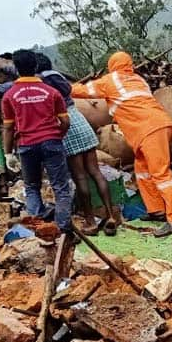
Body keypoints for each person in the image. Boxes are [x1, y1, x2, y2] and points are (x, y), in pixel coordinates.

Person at [71, 52, 172, 237]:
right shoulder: (138, 79)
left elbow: (81, 91)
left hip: (149, 130)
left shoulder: (111, 80)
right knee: (141, 169)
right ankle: (156, 210)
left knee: (161, 174)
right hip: (156, 127)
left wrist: (60, 87)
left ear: (111, 65)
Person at [35, 53, 121, 236]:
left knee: (80, 177)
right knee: (96, 172)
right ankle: (111, 216)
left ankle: (90, 222)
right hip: (80, 121)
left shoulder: (40, 82)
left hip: (65, 124)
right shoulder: (58, 77)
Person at [1, 50, 74, 231]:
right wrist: (58, 136)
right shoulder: (51, 92)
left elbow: (9, 128)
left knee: (32, 187)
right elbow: (65, 121)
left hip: (26, 145)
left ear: (16, 69)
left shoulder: (9, 96)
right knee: (61, 188)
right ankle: (63, 229)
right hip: (52, 142)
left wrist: (8, 153)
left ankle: (37, 230)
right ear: (35, 67)